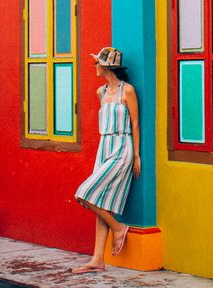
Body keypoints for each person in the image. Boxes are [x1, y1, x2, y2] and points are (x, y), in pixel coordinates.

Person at [72, 46, 141, 274]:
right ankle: (97, 259)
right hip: (104, 147)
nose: (94, 67)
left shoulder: (127, 91)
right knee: (100, 201)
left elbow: (135, 124)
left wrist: (137, 156)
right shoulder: (101, 92)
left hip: (122, 147)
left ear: (107, 66)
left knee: (84, 193)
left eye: (97, 63)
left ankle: (119, 227)